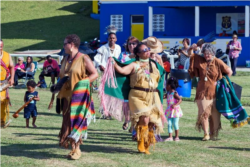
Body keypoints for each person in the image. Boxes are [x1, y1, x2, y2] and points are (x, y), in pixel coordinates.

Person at [112, 43, 164, 154]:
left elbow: (161, 78)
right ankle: (141, 143)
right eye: (144, 50)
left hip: (153, 95)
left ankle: (147, 144)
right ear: (138, 54)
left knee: (151, 122)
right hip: (137, 95)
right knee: (144, 118)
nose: (147, 51)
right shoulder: (134, 65)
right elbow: (122, 71)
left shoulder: (154, 64)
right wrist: (113, 63)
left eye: (148, 49)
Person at [57, 34, 98, 160]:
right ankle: (72, 147)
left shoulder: (84, 58)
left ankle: (77, 149)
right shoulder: (65, 59)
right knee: (67, 123)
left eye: (65, 44)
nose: (63, 46)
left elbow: (95, 74)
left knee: (76, 122)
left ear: (72, 45)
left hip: (79, 97)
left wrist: (82, 83)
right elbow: (62, 75)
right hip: (66, 96)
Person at [188, 43, 232, 141]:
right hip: (202, 92)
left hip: (216, 93)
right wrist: (191, 48)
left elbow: (229, 71)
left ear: (213, 53)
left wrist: (221, 82)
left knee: (215, 116)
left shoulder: (218, 61)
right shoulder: (200, 59)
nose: (207, 55)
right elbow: (190, 55)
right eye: (205, 53)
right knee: (204, 113)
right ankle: (206, 134)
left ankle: (212, 134)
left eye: (209, 53)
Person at [117, 36, 139, 131]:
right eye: (129, 43)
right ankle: (127, 120)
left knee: (135, 103)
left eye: (134, 43)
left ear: (137, 45)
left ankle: (133, 124)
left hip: (136, 83)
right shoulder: (123, 55)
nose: (131, 45)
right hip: (125, 82)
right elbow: (118, 65)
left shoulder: (140, 55)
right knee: (125, 104)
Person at [0, 39, 14, 128]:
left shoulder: (7, 55)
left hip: (4, 84)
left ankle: (2, 121)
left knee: (3, 101)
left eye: (0, 46)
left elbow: (12, 67)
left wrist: (12, 78)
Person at [164, 77, 183, 142]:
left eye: (166, 85)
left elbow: (180, 99)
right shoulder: (168, 93)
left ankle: (177, 137)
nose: (165, 86)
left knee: (175, 124)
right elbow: (163, 96)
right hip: (169, 111)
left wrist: (175, 105)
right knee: (169, 124)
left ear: (169, 86)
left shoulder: (174, 93)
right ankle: (170, 137)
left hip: (175, 111)